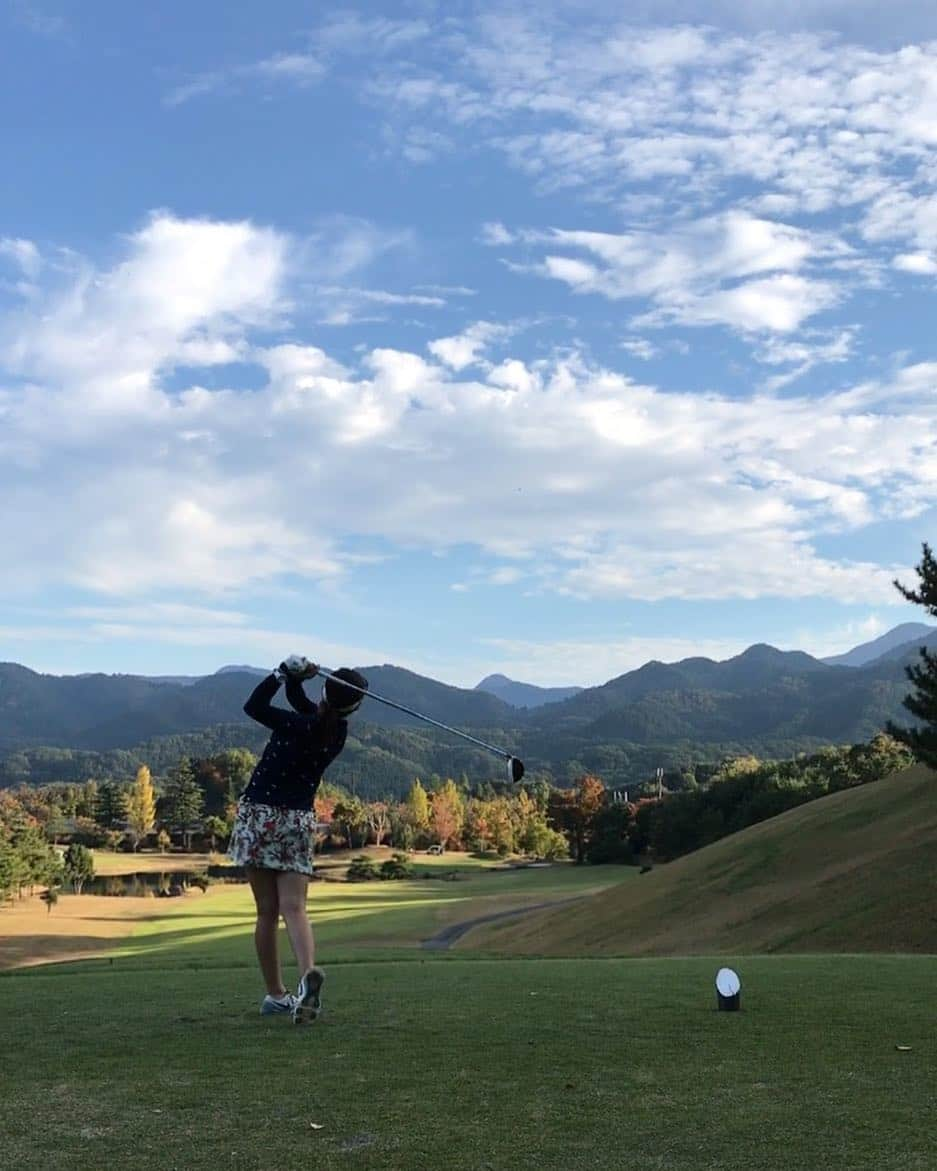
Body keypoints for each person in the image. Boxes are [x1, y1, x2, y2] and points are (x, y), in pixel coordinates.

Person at [229, 655, 368, 1024]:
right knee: (295, 908)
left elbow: (254, 706)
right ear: (352, 708)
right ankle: (307, 975)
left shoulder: (298, 725)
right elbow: (304, 705)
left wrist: (280, 673)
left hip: (259, 815)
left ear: (324, 692)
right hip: (297, 822)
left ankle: (276, 995)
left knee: (265, 912)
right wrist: (297, 681)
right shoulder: (334, 731)